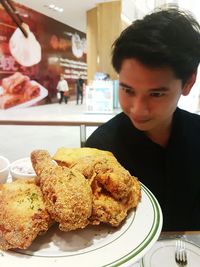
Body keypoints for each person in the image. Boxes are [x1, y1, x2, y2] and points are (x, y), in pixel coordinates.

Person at [85, 6, 200, 231]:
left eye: (156, 94)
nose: (138, 109)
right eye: (127, 90)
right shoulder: (99, 150)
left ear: (188, 83)